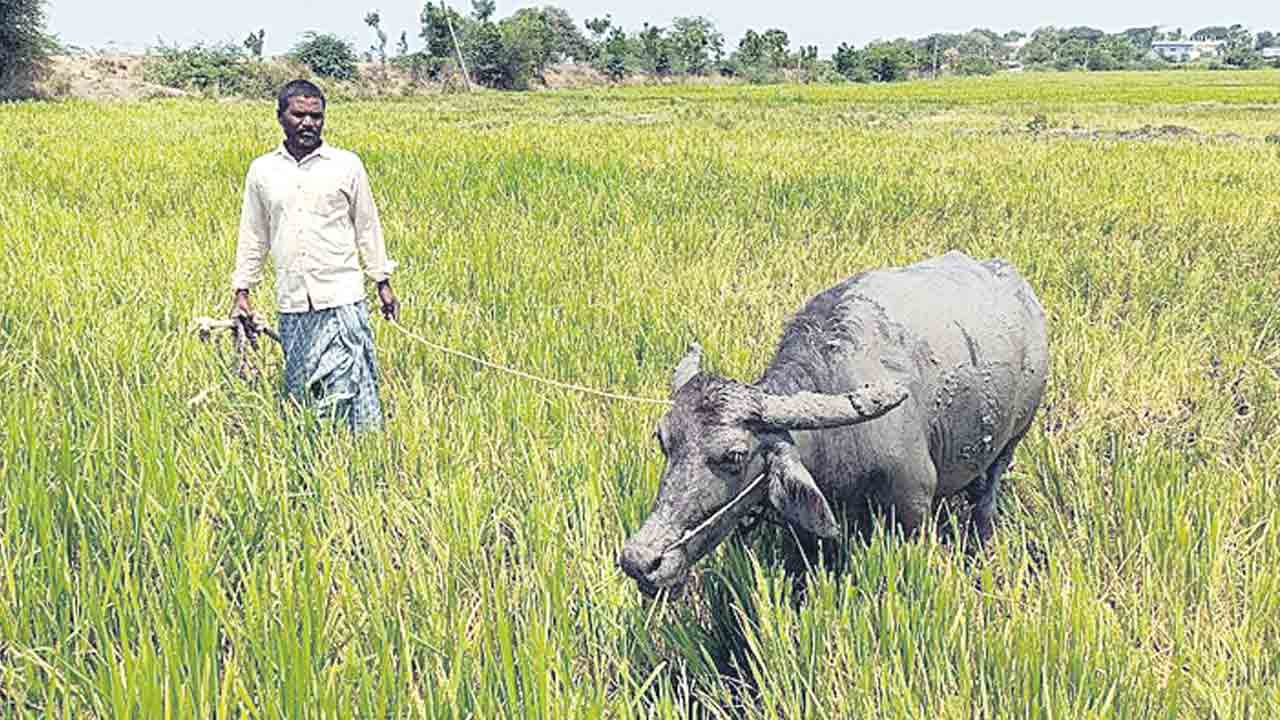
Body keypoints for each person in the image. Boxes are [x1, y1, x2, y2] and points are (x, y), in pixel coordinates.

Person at [230, 79, 399, 432]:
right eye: (299, 115)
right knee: (304, 394)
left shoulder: (346, 165)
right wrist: (242, 291)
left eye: (316, 116)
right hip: (293, 301)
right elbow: (254, 234)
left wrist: (381, 281)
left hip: (342, 298)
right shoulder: (263, 171)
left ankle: (362, 458)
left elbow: (367, 226)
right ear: (280, 117)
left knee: (352, 388)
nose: (308, 124)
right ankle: (317, 458)